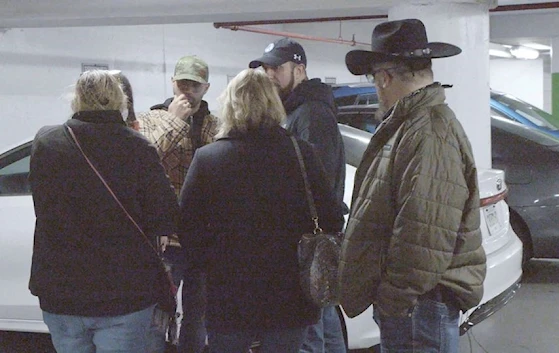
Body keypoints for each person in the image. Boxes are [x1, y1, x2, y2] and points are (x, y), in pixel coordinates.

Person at [338, 19, 487, 353]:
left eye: (374, 78)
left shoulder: (427, 131)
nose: (375, 86)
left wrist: (393, 298)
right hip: (418, 303)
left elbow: (425, 231)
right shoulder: (415, 125)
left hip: (418, 305)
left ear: (384, 77)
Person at [178, 68, 345, 353]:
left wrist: (209, 263)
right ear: (274, 103)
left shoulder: (208, 159)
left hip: (228, 293)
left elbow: (187, 228)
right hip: (289, 294)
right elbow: (331, 217)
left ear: (229, 105)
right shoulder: (300, 153)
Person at [28, 70, 180, 353]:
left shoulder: (46, 141)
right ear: (119, 100)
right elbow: (166, 214)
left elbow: (42, 202)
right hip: (124, 293)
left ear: (76, 99)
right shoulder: (138, 147)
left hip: (61, 290)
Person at [249, 37, 347, 353]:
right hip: (309, 241)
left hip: (306, 242)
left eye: (276, 67)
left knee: (308, 333)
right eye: (264, 68)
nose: (268, 74)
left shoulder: (311, 114)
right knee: (324, 323)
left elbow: (316, 179)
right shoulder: (298, 111)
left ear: (300, 69)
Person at [137, 55, 217, 352]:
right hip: (165, 238)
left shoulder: (215, 125)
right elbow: (143, 162)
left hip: (202, 238)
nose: (187, 91)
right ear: (173, 83)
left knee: (198, 315)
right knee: (159, 314)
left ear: (205, 88)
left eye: (194, 85)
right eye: (182, 83)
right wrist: (174, 120)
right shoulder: (151, 119)